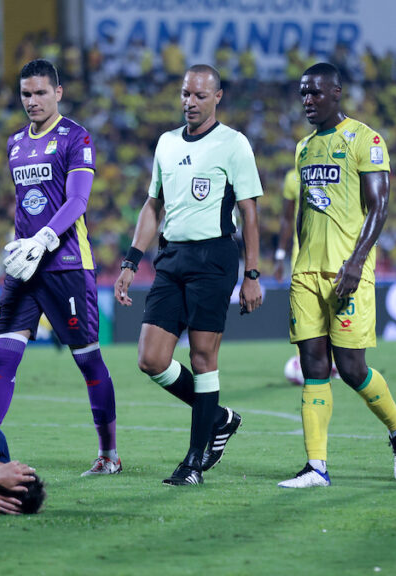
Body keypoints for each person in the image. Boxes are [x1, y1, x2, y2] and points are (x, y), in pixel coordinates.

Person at [115, 64, 263, 486]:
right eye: (185, 94)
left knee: (202, 358)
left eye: (199, 95)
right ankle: (217, 418)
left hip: (214, 259)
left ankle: (194, 463)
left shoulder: (233, 144)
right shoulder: (165, 143)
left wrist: (252, 273)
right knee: (151, 358)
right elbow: (152, 206)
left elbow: (250, 212)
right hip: (172, 257)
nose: (190, 102)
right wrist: (130, 261)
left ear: (217, 97)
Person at [279, 62, 396, 489]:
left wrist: (357, 260)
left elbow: (380, 205)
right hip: (306, 274)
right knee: (312, 365)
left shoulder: (365, 140)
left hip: (347, 271)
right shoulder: (303, 149)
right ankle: (316, 466)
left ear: (336, 93)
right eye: (303, 93)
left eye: (315, 93)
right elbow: (303, 213)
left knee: (353, 368)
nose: (307, 100)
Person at [0, 59, 121, 477]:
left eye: (41, 92)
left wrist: (44, 238)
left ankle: (109, 454)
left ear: (57, 93)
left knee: (88, 361)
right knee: (2, 357)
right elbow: (27, 203)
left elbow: (77, 201)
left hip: (66, 265)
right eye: (26, 93)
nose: (33, 101)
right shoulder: (14, 143)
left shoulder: (75, 136)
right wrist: (21, 246)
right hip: (26, 269)